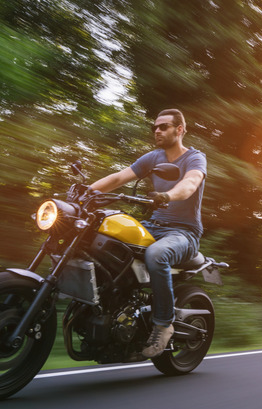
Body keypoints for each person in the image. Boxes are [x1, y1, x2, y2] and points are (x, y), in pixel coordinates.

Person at [89, 109, 207, 358]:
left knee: (156, 255)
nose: (157, 131)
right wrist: (85, 192)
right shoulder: (154, 157)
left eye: (164, 127)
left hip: (184, 233)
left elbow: (189, 184)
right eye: (155, 127)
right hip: (154, 226)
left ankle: (163, 324)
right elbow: (120, 177)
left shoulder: (194, 159)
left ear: (180, 130)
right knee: (104, 238)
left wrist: (167, 195)